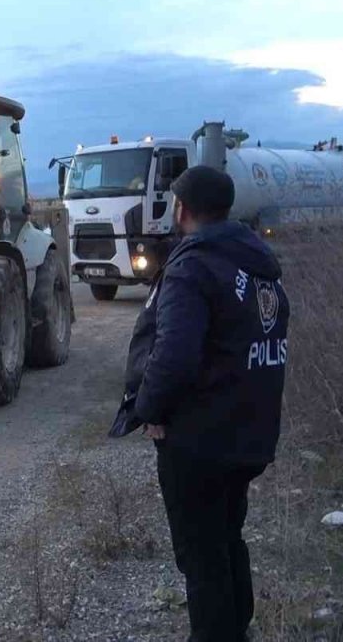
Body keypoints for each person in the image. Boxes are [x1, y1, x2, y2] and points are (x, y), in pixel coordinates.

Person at [113, 165, 289, 642]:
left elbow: (174, 354)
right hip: (248, 433)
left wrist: (149, 410)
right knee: (226, 537)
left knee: (201, 554)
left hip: (201, 441)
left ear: (183, 208)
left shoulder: (192, 266)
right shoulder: (257, 265)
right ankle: (237, 629)